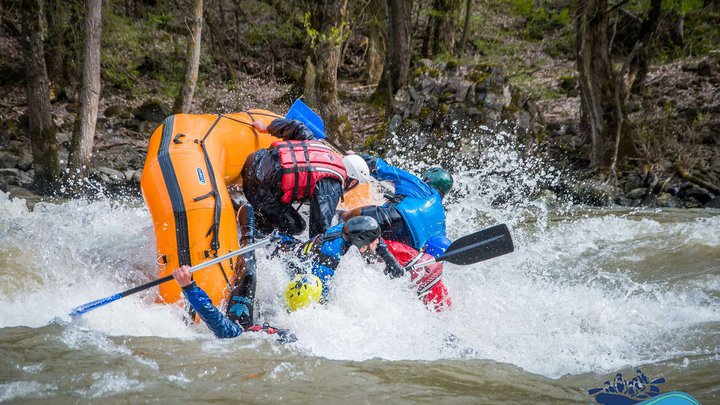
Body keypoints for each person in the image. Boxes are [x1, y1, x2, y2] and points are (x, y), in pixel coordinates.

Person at [171, 203, 295, 343]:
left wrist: (188, 286)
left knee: (249, 276)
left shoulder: (235, 334)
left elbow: (212, 316)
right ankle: (250, 234)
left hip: (239, 321)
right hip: (256, 320)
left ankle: (248, 233)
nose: (270, 331)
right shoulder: (278, 327)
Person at [242, 118, 371, 238]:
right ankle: (251, 224)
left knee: (282, 205)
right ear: (352, 180)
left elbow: (296, 126)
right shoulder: (331, 186)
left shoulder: (320, 146)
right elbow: (320, 230)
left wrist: (267, 128)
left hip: (253, 160)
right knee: (297, 227)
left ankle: (251, 212)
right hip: (258, 188)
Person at [282, 216, 406, 311]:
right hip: (295, 272)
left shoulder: (348, 230)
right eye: (375, 241)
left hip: (302, 252)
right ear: (362, 246)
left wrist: (392, 263)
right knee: (313, 290)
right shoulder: (330, 257)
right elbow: (320, 295)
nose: (378, 243)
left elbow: (376, 241)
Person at [340, 155, 453, 250]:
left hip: (395, 218)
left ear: (427, 179)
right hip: (407, 245)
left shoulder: (420, 186)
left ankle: (330, 225)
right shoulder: (442, 220)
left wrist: (357, 157)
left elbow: (381, 168)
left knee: (346, 218)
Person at [385, 234, 453, 312]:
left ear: (424, 248)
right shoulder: (439, 289)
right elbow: (445, 314)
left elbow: (377, 246)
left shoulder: (406, 252)